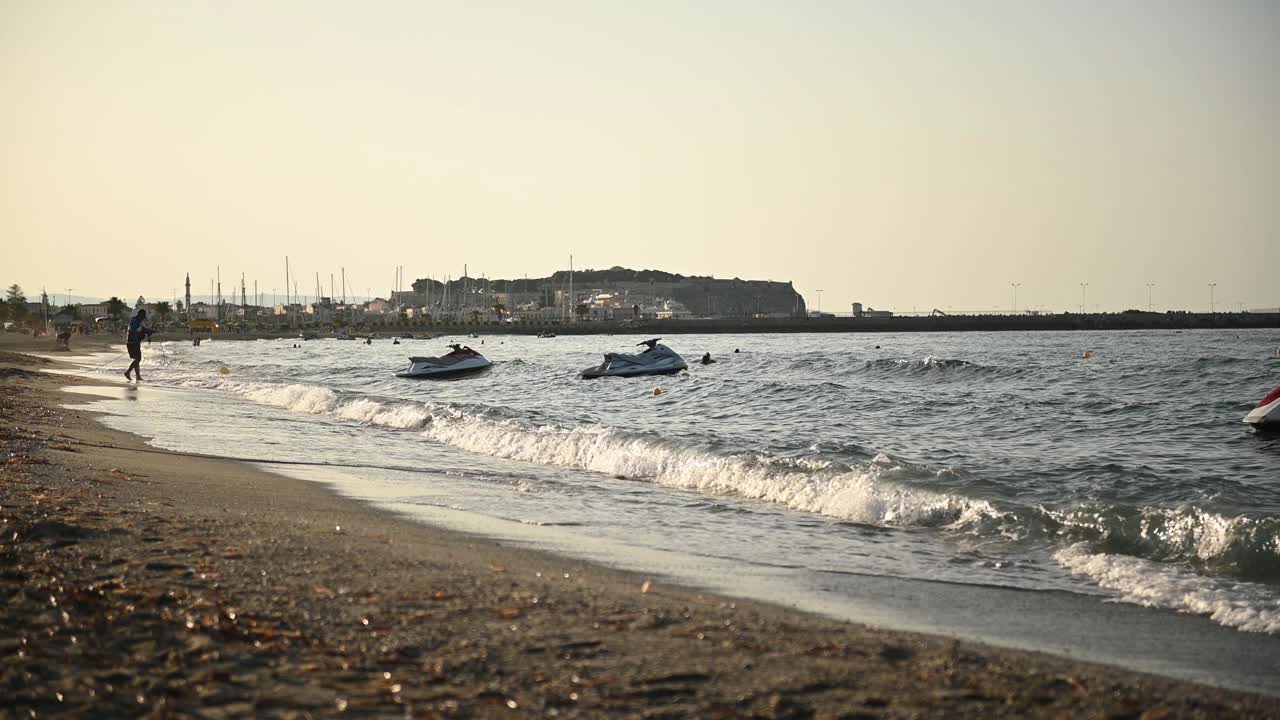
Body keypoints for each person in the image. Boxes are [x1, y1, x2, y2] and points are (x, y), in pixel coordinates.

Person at [124, 309, 150, 381]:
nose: (144, 317)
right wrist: (136, 341)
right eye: (143, 315)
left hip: (135, 342)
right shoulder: (134, 321)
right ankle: (128, 372)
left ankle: (137, 376)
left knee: (137, 359)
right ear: (140, 314)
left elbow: (143, 329)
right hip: (132, 343)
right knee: (138, 359)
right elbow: (133, 332)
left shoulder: (139, 321)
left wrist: (149, 331)